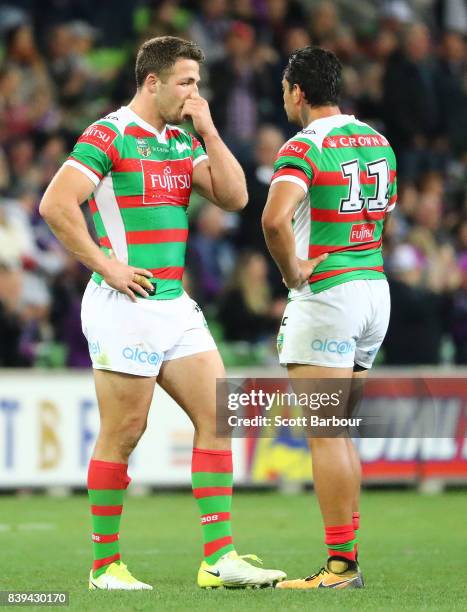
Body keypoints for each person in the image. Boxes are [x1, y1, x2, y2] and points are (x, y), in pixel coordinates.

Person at [39, 36, 285, 591]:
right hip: (124, 303)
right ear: (152, 82)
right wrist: (108, 266)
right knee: (125, 431)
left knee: (219, 416)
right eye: (186, 82)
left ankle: (219, 558)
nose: (194, 92)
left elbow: (236, 198)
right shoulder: (108, 133)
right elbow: (56, 203)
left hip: (175, 305)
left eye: (198, 82)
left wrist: (211, 132)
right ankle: (105, 566)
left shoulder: (180, 140)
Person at [262, 46, 397, 589]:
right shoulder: (378, 141)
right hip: (373, 290)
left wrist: (293, 273)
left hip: (329, 295)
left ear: (297, 91)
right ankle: (346, 559)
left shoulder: (304, 145)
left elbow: (274, 220)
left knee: (324, 434)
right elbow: (384, 207)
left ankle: (340, 566)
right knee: (339, 433)